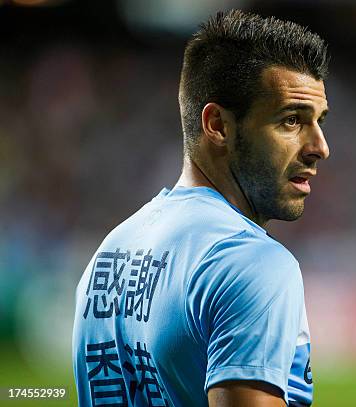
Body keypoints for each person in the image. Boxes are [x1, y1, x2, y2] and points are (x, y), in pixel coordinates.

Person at [72, 9, 330, 407]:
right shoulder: (251, 262)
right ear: (219, 125)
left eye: (319, 121)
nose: (319, 147)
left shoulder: (109, 256)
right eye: (292, 120)